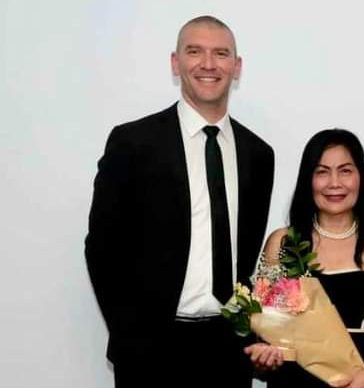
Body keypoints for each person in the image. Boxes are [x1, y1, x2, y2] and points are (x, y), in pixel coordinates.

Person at [85, 16, 274, 388]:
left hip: (227, 351)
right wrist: (129, 336)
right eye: (195, 52)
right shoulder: (133, 143)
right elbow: (102, 249)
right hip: (150, 353)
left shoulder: (258, 154)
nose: (208, 64)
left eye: (221, 54)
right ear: (175, 62)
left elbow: (246, 257)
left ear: (236, 67)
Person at [246, 129, 364, 388]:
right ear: (307, 180)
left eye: (345, 171)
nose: (334, 183)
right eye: (322, 172)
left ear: (360, 177)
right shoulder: (282, 242)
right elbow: (266, 323)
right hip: (295, 380)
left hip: (363, 379)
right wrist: (265, 354)